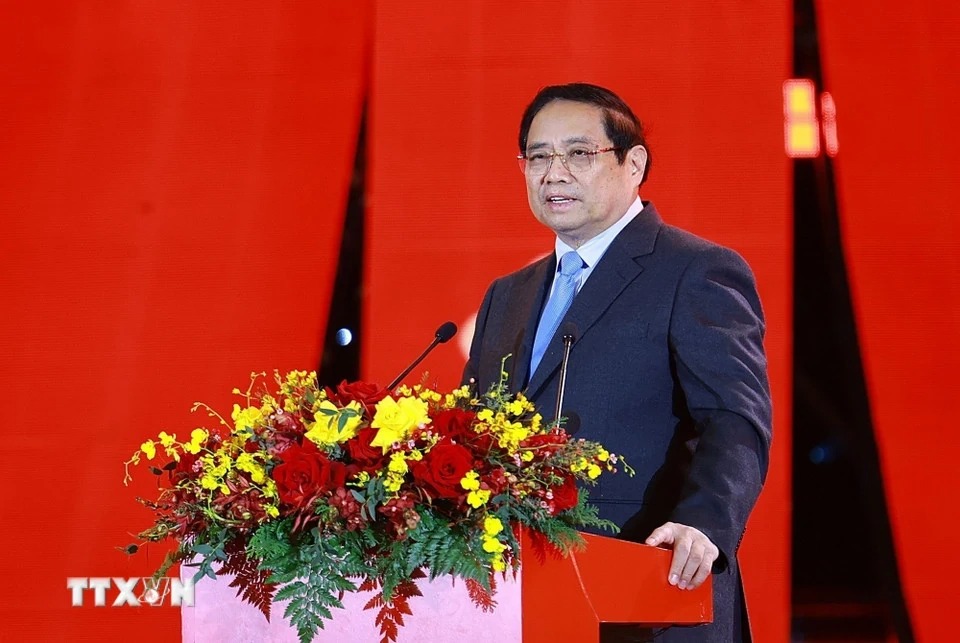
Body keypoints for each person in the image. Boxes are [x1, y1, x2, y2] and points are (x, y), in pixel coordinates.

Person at [462, 83, 772, 642]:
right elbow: (473, 432)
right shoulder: (506, 295)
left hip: (648, 584)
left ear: (634, 164)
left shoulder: (695, 270)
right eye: (538, 156)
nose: (554, 174)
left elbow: (734, 420)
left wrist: (703, 526)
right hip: (519, 598)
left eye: (579, 153)